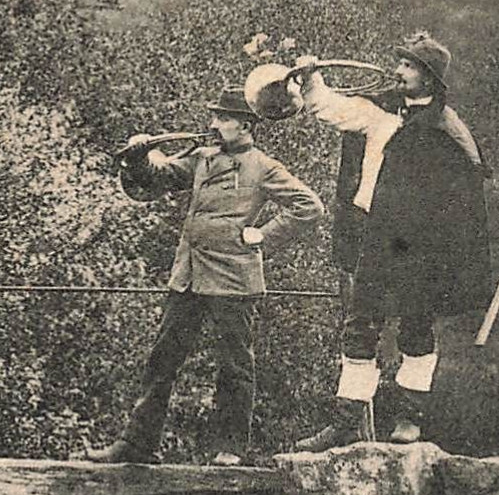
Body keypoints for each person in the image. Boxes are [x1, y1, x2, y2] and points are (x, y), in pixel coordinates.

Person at [83, 85, 324, 465]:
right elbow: (158, 175)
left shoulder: (263, 166)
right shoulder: (203, 157)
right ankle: (137, 444)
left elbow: (309, 207)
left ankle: (229, 449)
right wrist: (140, 154)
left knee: (234, 366)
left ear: (245, 125)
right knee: (162, 360)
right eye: (214, 116)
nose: (214, 124)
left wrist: (261, 235)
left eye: (223, 118)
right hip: (189, 276)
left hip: (233, 278)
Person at [293, 32, 491, 450]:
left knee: (416, 327)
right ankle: (348, 419)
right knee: (360, 324)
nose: (399, 72)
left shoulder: (446, 130)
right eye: (400, 64)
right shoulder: (380, 112)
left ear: (429, 79)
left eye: (410, 67)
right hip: (374, 235)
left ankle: (410, 418)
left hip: (419, 245)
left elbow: (460, 200)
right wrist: (310, 80)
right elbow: (333, 109)